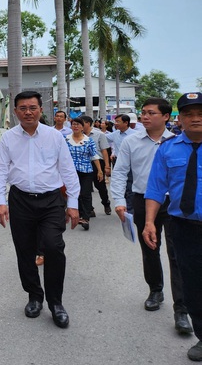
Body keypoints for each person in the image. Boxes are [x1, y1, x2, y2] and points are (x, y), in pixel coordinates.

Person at [0, 91, 80, 329]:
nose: (28, 112)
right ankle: (34, 295)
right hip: (20, 200)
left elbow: (67, 169)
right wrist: (0, 201)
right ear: (15, 112)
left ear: (41, 110)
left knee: (53, 247)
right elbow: (0, 170)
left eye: (32, 107)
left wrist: (73, 204)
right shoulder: (8, 138)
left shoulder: (54, 136)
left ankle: (56, 303)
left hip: (51, 201)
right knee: (25, 251)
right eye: (23, 108)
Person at [110, 98, 190, 334]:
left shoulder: (178, 141)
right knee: (150, 249)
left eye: (151, 113)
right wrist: (119, 202)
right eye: (143, 113)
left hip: (174, 202)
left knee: (177, 254)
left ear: (166, 117)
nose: (144, 117)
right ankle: (155, 289)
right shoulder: (131, 141)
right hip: (143, 200)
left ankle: (182, 309)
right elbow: (121, 171)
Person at [144, 92, 202, 362]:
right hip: (183, 227)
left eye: (200, 113)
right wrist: (148, 222)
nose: (195, 118)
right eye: (189, 114)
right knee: (192, 285)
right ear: (179, 118)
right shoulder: (168, 149)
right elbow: (156, 188)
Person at [65, 117, 102, 230]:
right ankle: (76, 213)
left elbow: (94, 156)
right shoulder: (65, 139)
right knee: (73, 194)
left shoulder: (88, 140)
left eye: (78, 124)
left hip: (85, 171)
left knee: (85, 193)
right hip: (70, 172)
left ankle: (85, 217)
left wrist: (100, 170)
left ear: (82, 127)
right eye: (73, 124)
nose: (75, 126)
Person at [80, 115, 112, 215]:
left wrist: (107, 166)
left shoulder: (99, 134)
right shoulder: (78, 135)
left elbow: (104, 151)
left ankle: (106, 203)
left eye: (82, 123)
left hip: (98, 162)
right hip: (84, 163)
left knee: (100, 186)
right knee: (86, 187)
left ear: (88, 123)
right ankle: (89, 208)